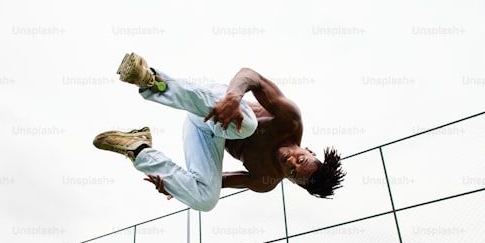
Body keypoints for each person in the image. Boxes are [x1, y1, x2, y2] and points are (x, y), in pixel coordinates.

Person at [93, 52, 345, 212]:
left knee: (206, 200)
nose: (289, 161)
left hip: (201, 131)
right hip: (213, 102)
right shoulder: (290, 119)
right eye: (300, 159)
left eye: (292, 171)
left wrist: (176, 186)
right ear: (308, 150)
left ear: (289, 180)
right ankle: (152, 81)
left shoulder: (264, 181)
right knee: (248, 124)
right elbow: (250, 75)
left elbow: (215, 182)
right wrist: (234, 97)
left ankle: (139, 149)